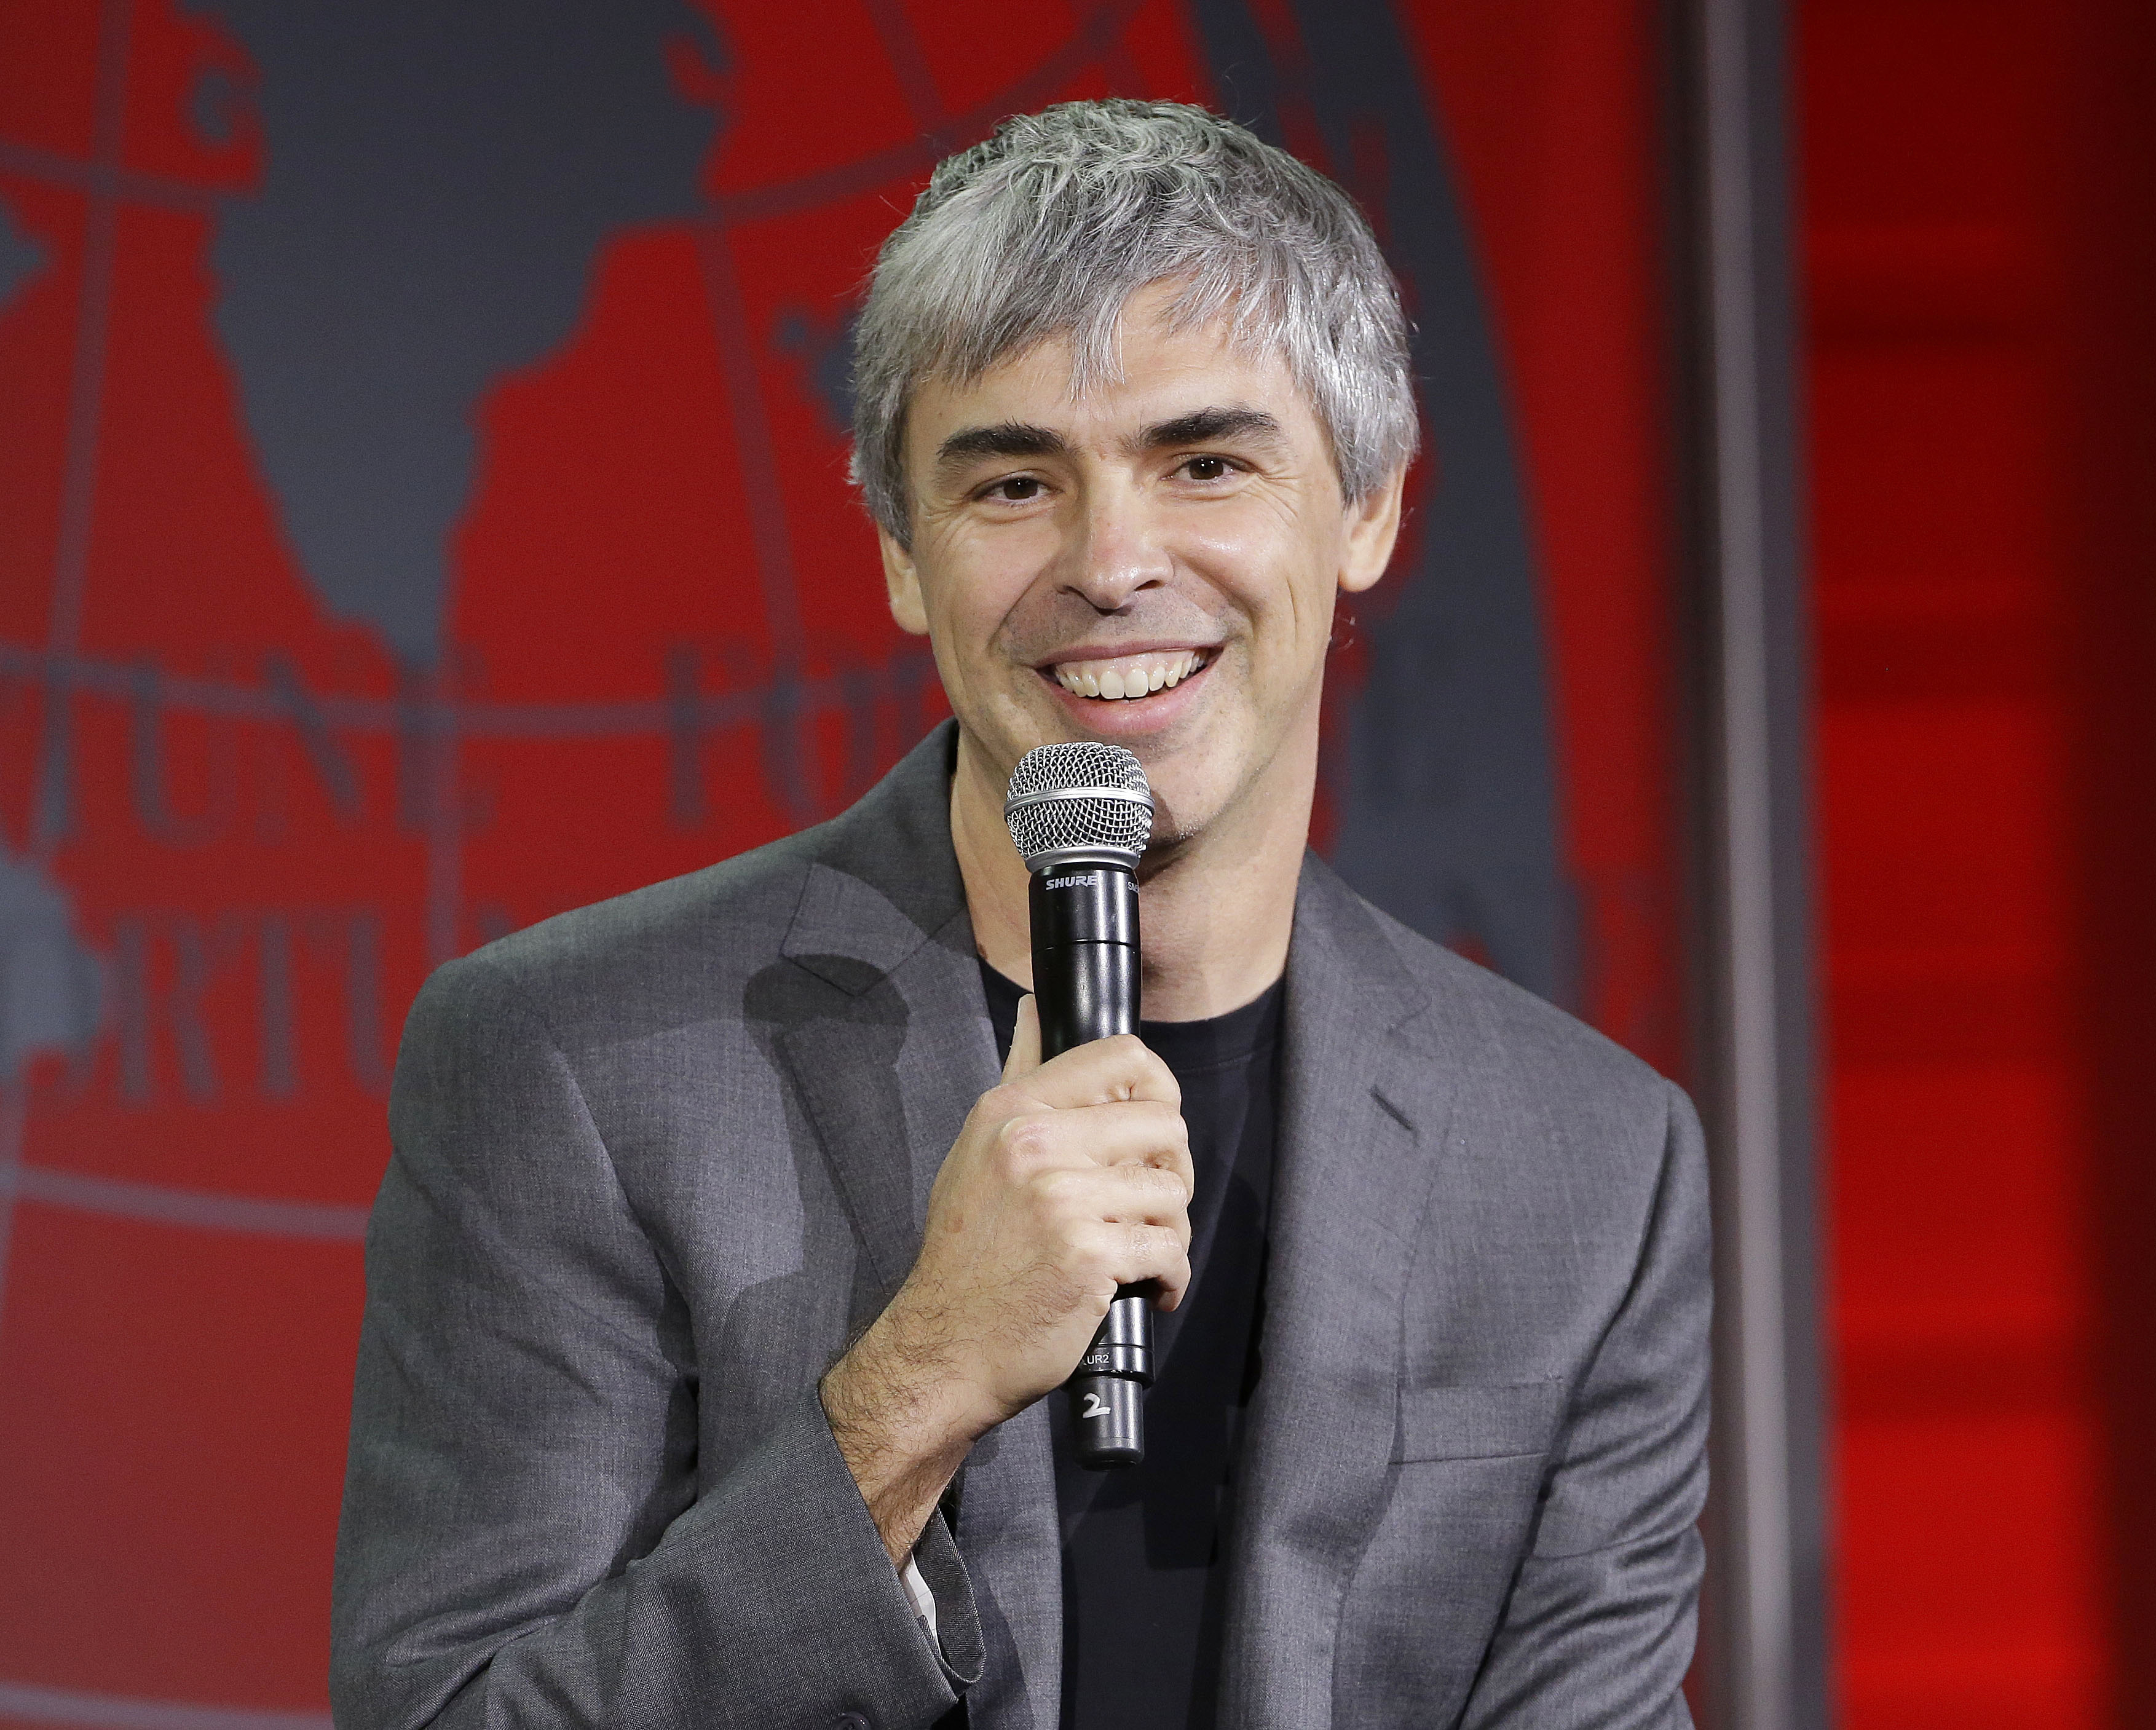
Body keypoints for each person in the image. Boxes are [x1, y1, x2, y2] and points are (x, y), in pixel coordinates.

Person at [332, 100, 1708, 1730]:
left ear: (1366, 510)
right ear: (902, 553)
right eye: (1011, 484)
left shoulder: (1587, 1165)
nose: (1110, 562)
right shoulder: (573, 1065)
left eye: (1204, 464)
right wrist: (919, 1382)